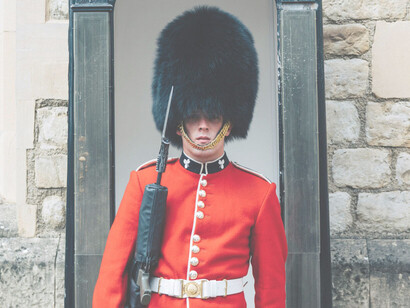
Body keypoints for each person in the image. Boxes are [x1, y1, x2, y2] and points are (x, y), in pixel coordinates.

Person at [93, 6, 287, 308]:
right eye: (193, 115)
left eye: (212, 115)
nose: (202, 125)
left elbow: (271, 289)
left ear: (229, 120)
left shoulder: (259, 194)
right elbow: (112, 272)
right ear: (178, 121)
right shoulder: (145, 182)